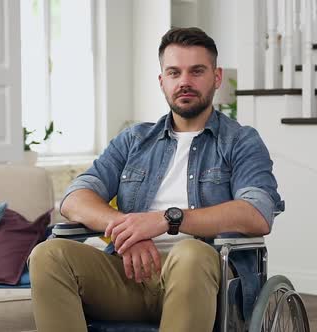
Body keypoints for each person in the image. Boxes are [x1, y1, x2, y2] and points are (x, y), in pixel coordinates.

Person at [28, 27, 284, 332]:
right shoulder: (134, 140)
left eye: (196, 71)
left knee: (191, 254)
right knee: (47, 255)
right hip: (129, 274)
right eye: (174, 72)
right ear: (162, 81)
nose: (185, 82)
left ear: (216, 77)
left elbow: (257, 213)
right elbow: (75, 197)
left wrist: (167, 220)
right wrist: (129, 232)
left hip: (204, 281)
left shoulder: (240, 141)